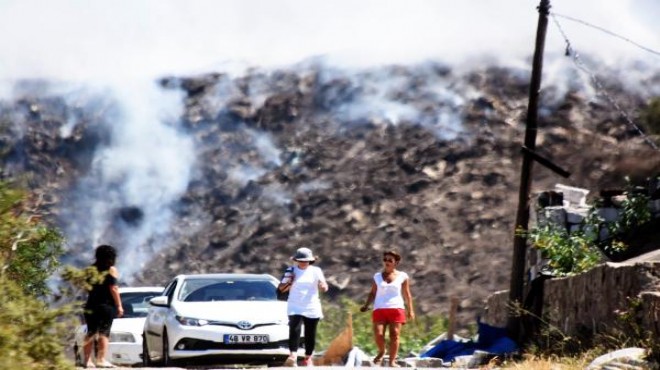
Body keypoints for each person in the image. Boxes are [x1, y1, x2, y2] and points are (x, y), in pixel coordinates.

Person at [360, 250, 415, 367]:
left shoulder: (402, 276)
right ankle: (382, 351)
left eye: (390, 260)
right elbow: (372, 293)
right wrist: (366, 305)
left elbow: (407, 294)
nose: (387, 262)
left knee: (394, 334)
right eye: (385, 260)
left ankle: (392, 361)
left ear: (396, 262)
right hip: (379, 308)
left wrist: (411, 310)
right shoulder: (377, 276)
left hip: (396, 308)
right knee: (379, 334)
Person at [278, 247, 329, 367]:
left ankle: (308, 357)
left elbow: (324, 286)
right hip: (295, 305)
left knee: (310, 333)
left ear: (310, 260)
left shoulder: (316, 271)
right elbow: (281, 288)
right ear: (296, 260)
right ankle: (293, 356)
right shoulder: (291, 270)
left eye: (306, 260)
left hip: (311, 305)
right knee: (294, 329)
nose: (303, 262)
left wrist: (323, 286)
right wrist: (289, 281)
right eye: (301, 260)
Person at [82, 244, 123, 368]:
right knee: (104, 333)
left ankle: (87, 361)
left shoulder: (90, 269)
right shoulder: (111, 269)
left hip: (91, 304)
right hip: (105, 305)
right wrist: (119, 305)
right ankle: (101, 360)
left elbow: (85, 287)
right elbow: (113, 288)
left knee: (91, 332)